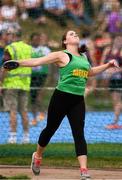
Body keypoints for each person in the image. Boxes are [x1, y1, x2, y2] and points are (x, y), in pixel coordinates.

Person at [8, 30, 119, 179]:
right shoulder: (61, 55)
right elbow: (37, 61)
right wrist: (18, 63)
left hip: (78, 100)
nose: (75, 35)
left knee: (79, 134)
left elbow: (90, 72)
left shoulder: (84, 56)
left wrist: (107, 65)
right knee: (50, 129)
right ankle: (38, 156)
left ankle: (84, 170)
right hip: (61, 98)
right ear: (65, 41)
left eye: (75, 34)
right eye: (71, 34)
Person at [2, 30, 32, 143]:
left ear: (14, 36)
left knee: (13, 111)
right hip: (25, 84)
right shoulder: (29, 48)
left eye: (10, 35)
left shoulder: (10, 48)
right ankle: (26, 137)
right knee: (24, 111)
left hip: (11, 84)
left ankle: (13, 137)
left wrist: (1, 82)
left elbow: (6, 66)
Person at [30, 32, 51, 126]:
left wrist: (49, 77)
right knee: (33, 98)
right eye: (34, 39)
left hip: (42, 75)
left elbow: (50, 63)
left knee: (39, 96)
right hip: (31, 76)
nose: (37, 41)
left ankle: (43, 112)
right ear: (31, 40)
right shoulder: (28, 49)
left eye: (38, 39)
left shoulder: (45, 50)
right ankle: (35, 118)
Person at [101, 45, 122, 129]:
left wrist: (115, 70)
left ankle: (115, 123)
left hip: (118, 79)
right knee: (115, 102)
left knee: (117, 102)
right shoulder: (108, 51)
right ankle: (115, 122)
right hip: (111, 80)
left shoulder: (120, 52)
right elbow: (103, 64)